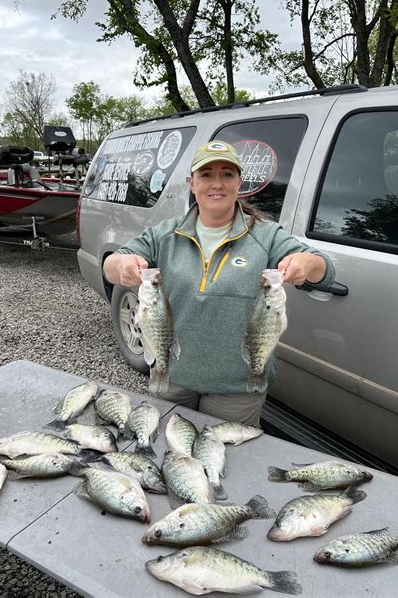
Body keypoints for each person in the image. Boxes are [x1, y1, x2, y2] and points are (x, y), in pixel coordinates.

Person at [103, 140, 335, 426]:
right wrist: (121, 264)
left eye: (227, 174)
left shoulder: (266, 236)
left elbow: (324, 271)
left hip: (237, 388)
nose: (217, 183)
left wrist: (308, 264)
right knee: (169, 446)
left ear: (239, 182)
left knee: (224, 460)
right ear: (192, 183)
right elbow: (112, 265)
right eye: (206, 174)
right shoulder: (165, 234)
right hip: (172, 377)